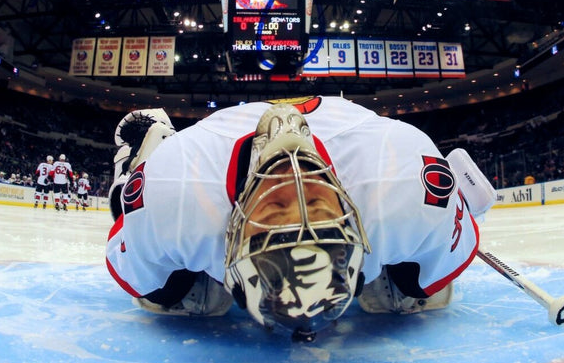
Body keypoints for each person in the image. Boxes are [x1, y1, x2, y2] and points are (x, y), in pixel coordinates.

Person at [105, 96, 495, 342]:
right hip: (372, 156)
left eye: (278, 212)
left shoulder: (174, 192)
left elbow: (136, 258)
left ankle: (144, 151)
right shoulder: (404, 181)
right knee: (412, 291)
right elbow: (430, 275)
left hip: (194, 172)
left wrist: (132, 189)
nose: (298, 193)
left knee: (172, 297)